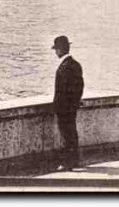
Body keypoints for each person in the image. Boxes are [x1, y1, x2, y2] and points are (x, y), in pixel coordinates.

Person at [52, 35, 84, 171]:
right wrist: (75, 102)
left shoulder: (64, 67)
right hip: (72, 107)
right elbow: (80, 87)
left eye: (56, 49)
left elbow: (62, 91)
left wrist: (58, 106)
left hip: (63, 108)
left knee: (65, 134)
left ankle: (66, 163)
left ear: (60, 50)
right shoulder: (76, 65)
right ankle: (74, 160)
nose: (55, 52)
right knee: (72, 133)